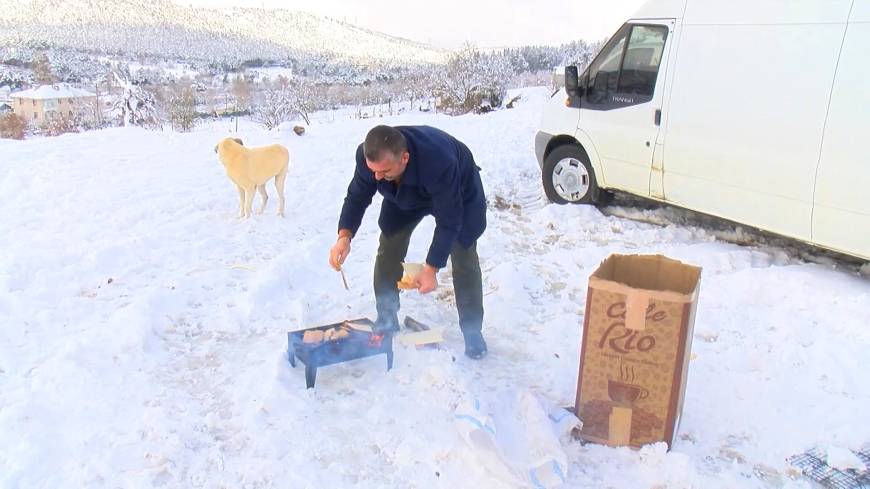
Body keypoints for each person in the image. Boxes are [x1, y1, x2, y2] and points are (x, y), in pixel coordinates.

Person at [328, 125, 488, 359]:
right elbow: (357, 196)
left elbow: (449, 220)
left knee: (463, 253)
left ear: (404, 158)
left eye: (384, 171)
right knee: (389, 245)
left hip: (458, 191)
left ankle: (473, 331)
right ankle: (386, 317)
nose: (377, 177)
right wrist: (344, 236)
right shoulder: (371, 160)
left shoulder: (439, 161)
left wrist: (431, 267)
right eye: (373, 171)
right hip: (403, 194)